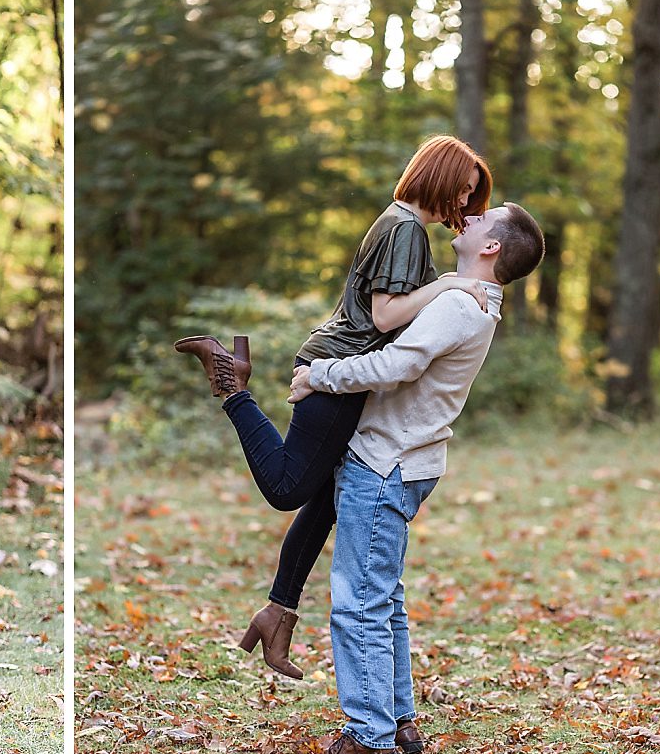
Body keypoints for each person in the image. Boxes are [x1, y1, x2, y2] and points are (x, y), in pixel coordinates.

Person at [173, 135, 494, 679]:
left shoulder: (402, 225)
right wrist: (451, 283)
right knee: (287, 489)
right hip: (339, 369)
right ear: (438, 176)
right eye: (462, 190)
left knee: (326, 497)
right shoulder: (406, 229)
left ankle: (278, 612)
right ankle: (231, 384)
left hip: (347, 371)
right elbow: (387, 316)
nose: (464, 204)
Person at [287, 202, 544, 754]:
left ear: (491, 247)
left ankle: (369, 736)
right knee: (384, 598)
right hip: (409, 461)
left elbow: (393, 366)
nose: (469, 218)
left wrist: (319, 375)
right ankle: (398, 720)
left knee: (359, 604)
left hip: (386, 462)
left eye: (483, 220)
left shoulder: (458, 304)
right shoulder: (473, 300)